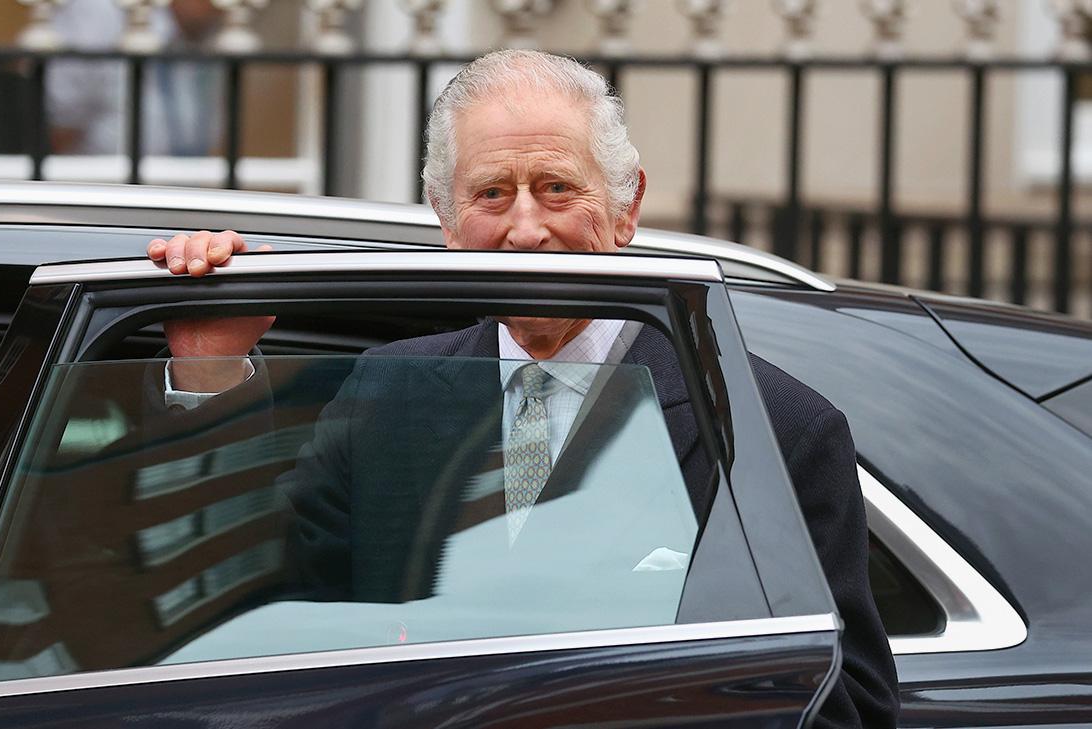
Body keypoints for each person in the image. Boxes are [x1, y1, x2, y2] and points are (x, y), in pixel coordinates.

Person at [146, 50, 899, 728]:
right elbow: (255, 618)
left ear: (627, 207)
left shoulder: (773, 425)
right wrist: (211, 372)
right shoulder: (387, 392)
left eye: (557, 188)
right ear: (447, 220)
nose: (527, 229)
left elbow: (845, 705)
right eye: (492, 194)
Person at [48, 0, 224, 156]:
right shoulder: (101, 12)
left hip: (185, 177)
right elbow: (61, 124)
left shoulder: (212, 29)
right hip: (97, 176)